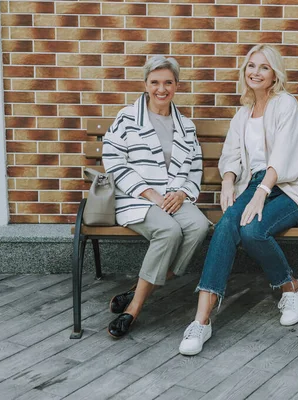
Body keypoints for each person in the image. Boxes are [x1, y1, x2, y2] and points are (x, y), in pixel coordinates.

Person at [179, 44, 298, 355]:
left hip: (292, 187)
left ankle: (292, 288)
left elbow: (283, 155)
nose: (255, 72)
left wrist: (261, 193)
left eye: (264, 67)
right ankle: (201, 321)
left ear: (274, 75)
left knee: (253, 230)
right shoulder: (243, 114)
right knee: (228, 225)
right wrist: (229, 180)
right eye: (251, 66)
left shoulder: (286, 105)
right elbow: (231, 153)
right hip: (254, 184)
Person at [102, 56, 209, 339]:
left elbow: (195, 166)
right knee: (169, 231)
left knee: (199, 226)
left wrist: (183, 192)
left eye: (168, 83)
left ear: (177, 85)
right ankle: (134, 309)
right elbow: (113, 160)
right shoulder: (127, 118)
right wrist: (148, 193)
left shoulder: (186, 125)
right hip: (137, 197)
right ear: (146, 84)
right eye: (155, 82)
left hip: (173, 197)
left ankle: (139, 288)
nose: (161, 89)